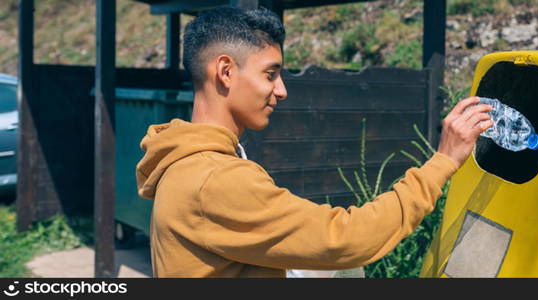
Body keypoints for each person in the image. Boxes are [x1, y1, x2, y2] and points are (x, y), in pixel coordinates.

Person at [135, 7, 493, 278]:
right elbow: (346, 239)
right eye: (270, 74)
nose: (282, 90)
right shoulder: (215, 180)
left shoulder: (185, 161)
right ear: (226, 71)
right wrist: (443, 161)